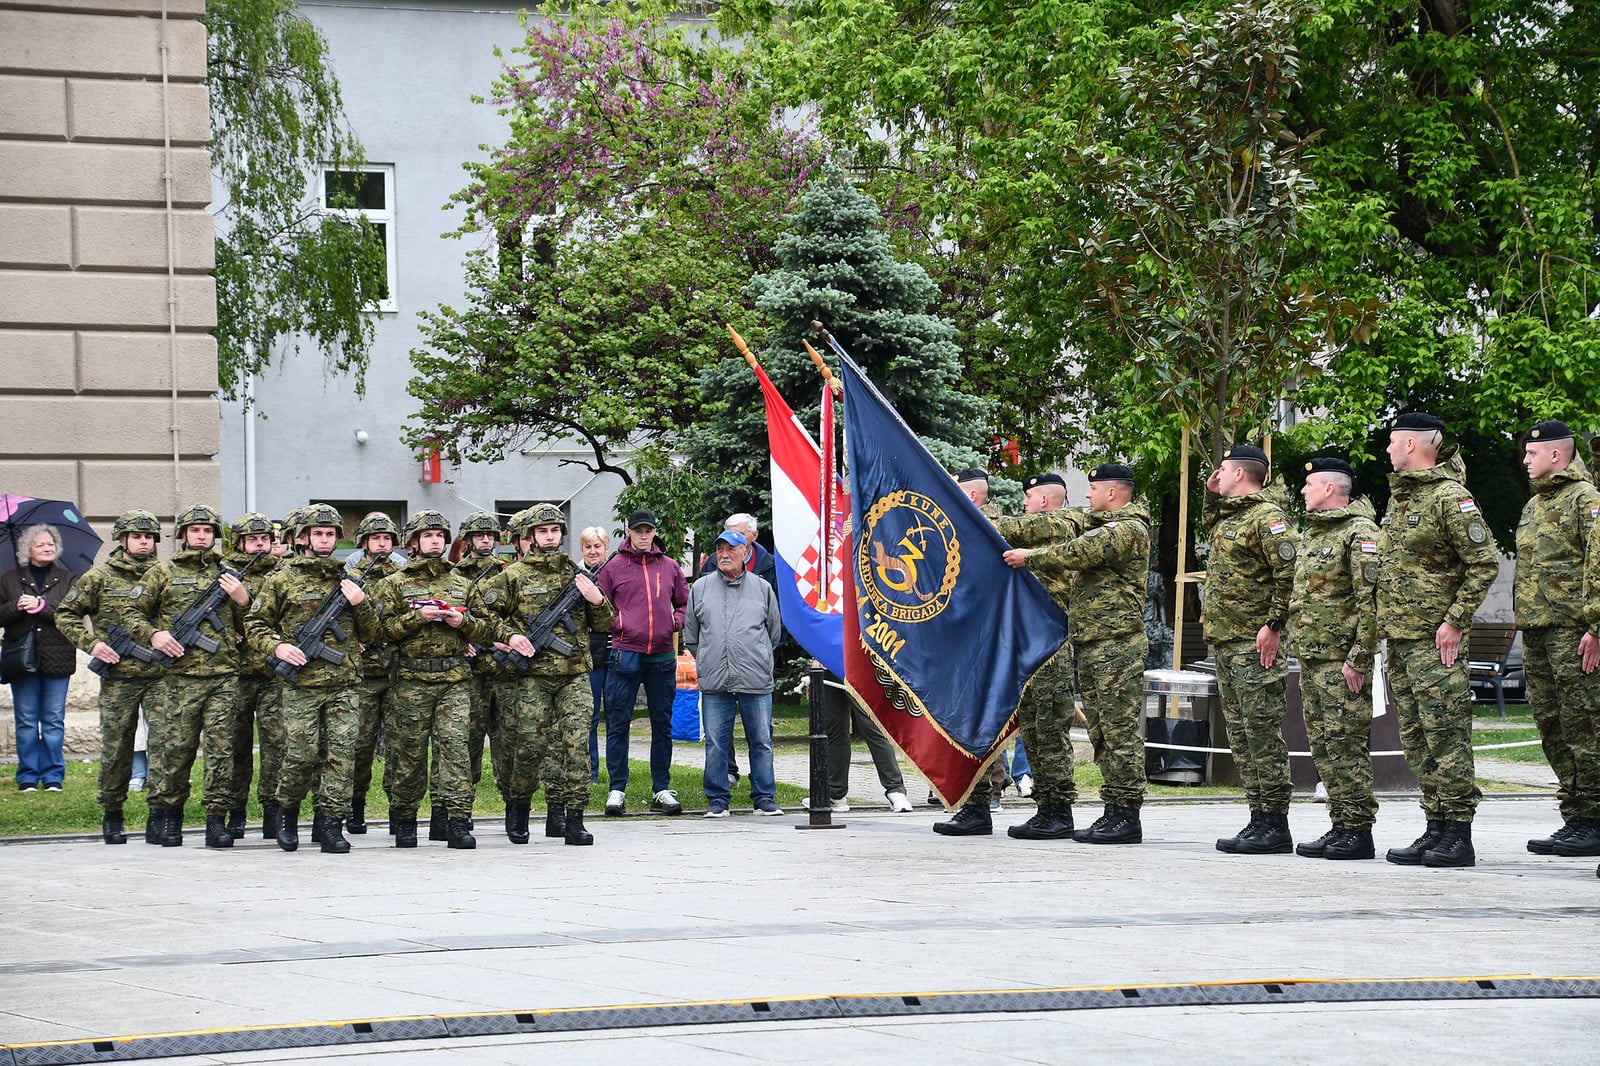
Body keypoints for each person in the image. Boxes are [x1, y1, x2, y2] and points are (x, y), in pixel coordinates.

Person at [1006, 463, 1152, 845]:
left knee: (1118, 731)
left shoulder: (1127, 529)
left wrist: (1029, 557)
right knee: (1101, 730)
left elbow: (1076, 552)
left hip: (1117, 644)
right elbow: (1056, 525)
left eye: (1093, 489)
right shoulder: (1096, 522)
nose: (1087, 495)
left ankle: (1125, 813)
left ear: (1112, 492)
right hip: (1093, 641)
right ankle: (1110, 810)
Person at [1377, 412, 1499, 867]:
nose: (1388, 449)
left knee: (1446, 736)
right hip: (1401, 639)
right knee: (1417, 738)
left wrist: (1455, 620)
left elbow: (1483, 563)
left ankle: (1459, 834)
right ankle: (1436, 826)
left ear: (1411, 444)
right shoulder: (1402, 499)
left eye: (1393, 442)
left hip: (1435, 642)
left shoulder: (1450, 497)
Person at [935, 472, 1082, 836]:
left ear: (1044, 500)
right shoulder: (1022, 531)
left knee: (1046, 730)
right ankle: (977, 805)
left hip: (1047, 649)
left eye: (1029, 497)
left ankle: (1056, 810)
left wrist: (954, 509)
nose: (1024, 503)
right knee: (996, 723)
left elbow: (997, 527)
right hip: (1010, 644)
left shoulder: (1060, 525)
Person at [368, 510, 519, 849]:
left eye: (439, 535)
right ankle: (406, 819)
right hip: (411, 680)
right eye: (427, 535)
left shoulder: (462, 583)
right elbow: (377, 632)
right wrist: (416, 618)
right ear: (414, 542)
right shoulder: (394, 584)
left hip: (454, 680)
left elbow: (487, 628)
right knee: (409, 753)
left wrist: (462, 624)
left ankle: (457, 820)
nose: (435, 541)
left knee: (455, 751)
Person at [470, 504, 610, 845]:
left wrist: (597, 600)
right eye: (543, 531)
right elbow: (480, 613)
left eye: (555, 530)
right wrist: (509, 637)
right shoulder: (513, 576)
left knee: (576, 746)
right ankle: (519, 808)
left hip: (574, 673)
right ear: (531, 536)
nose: (550, 536)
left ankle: (574, 817)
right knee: (529, 747)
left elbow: (604, 623)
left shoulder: (576, 573)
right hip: (532, 677)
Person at [245, 503, 380, 853]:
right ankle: (288, 813)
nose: (324, 539)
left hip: (344, 683)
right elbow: (255, 624)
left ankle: (330, 824)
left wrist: (361, 603)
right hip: (301, 685)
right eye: (317, 533)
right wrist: (278, 647)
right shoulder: (281, 578)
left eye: (330, 533)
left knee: (341, 755)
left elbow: (372, 633)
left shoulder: (350, 578)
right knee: (301, 754)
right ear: (303, 537)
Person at [124, 504, 254, 849]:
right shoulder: (163, 572)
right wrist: (154, 635)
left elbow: (256, 625)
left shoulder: (228, 574)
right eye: (195, 530)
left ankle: (216, 819)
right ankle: (167, 817)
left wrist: (243, 600)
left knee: (222, 750)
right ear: (183, 534)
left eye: (207, 531)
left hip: (224, 676)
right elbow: (131, 612)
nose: (201, 536)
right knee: (175, 750)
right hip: (177, 679)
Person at [1203, 445, 1300, 855]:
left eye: (1223, 469)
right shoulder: (1231, 515)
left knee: (1261, 733)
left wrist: (1274, 624)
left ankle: (1275, 822)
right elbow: (1212, 526)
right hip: (1228, 641)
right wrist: (1210, 496)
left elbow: (1290, 574)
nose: (1218, 474)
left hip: (1255, 643)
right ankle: (1258, 817)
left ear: (1241, 474)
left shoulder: (1268, 518)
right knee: (1242, 735)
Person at [1513, 422, 1600, 858]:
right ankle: (1578, 817)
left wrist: (1597, 628)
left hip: (1574, 633)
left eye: (1532, 454)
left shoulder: (1586, 499)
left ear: (1555, 455)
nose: (1525, 460)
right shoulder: (1536, 504)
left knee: (1586, 727)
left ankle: (1596, 818)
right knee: (1553, 727)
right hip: (1537, 631)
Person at [1288, 457, 1381, 860]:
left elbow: (1371, 602)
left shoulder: (1360, 533)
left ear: (1329, 489)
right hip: (1313, 658)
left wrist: (1358, 658)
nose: (1303, 490)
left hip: (1341, 662)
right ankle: (1340, 823)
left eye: (1309, 484)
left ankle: (1358, 830)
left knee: (1345, 746)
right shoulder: (1315, 533)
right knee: (1324, 747)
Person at [59, 510, 165, 842]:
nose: (144, 542)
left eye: (148, 537)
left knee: (165, 747)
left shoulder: (166, 575)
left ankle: (159, 815)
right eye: (137, 536)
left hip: (161, 676)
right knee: (117, 748)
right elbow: (66, 614)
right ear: (122, 540)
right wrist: (93, 644)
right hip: (119, 677)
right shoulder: (99, 577)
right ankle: (113, 813)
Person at [596, 509, 689, 817]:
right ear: (629, 532)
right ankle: (617, 789)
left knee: (662, 723)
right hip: (625, 653)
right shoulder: (614, 566)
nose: (644, 535)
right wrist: (618, 623)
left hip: (661, 655)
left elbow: (684, 602)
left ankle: (661, 788)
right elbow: (599, 607)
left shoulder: (670, 566)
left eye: (648, 530)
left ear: (655, 532)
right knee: (618, 722)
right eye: (638, 531)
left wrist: (675, 622)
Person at [686, 529, 784, 817]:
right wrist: (709, 659)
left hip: (755, 678)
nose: (724, 554)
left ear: (745, 552)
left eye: (731, 549)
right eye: (720, 549)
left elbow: (773, 632)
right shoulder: (700, 588)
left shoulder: (762, 588)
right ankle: (718, 800)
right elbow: (692, 636)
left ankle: (764, 798)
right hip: (715, 679)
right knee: (716, 743)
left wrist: (757, 657)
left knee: (761, 741)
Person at [2, 525, 80, 795]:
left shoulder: (69, 578)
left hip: (57, 656)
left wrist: (42, 606)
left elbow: (73, 613)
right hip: (21, 658)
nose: (47, 548)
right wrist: (16, 606)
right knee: (25, 719)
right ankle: (27, 776)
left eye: (51, 544)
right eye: (41, 544)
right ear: (27, 549)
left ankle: (53, 776)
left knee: (53, 719)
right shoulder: (9, 579)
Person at [221, 512, 281, 841]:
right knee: (235, 747)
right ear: (240, 543)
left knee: (277, 745)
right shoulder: (224, 573)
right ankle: (236, 812)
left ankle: (273, 810)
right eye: (252, 539)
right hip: (236, 673)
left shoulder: (283, 573)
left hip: (274, 674)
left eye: (264, 539)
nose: (259, 544)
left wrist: (246, 602)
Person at [452, 509, 510, 838]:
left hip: (504, 671)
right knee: (468, 744)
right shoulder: (454, 575)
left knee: (508, 742)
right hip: (471, 673)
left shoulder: (508, 573)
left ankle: (513, 809)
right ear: (468, 540)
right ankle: (463, 810)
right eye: (479, 535)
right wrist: (463, 642)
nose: (486, 539)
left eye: (490, 535)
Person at [346, 512, 402, 835]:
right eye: (376, 538)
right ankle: (355, 808)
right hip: (364, 675)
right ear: (364, 542)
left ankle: (398, 810)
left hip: (397, 673)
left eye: (387, 538)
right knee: (360, 746)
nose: (382, 543)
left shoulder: (405, 575)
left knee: (399, 747)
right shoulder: (349, 576)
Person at [578, 526, 612, 784]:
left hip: (614, 652)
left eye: (597, 546)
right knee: (589, 716)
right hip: (588, 656)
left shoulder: (615, 572)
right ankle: (591, 772)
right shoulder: (575, 576)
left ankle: (617, 774)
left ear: (606, 548)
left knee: (616, 716)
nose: (593, 551)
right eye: (588, 547)